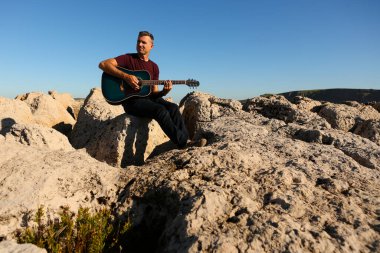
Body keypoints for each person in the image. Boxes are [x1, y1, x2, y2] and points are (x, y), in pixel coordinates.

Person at [98, 31, 190, 148]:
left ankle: (186, 140)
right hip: (132, 101)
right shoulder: (128, 58)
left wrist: (164, 92)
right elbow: (103, 64)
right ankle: (183, 143)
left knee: (173, 107)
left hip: (148, 99)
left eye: (143, 42)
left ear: (151, 46)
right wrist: (126, 77)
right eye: (138, 42)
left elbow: (154, 93)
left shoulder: (154, 67)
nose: (140, 44)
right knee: (160, 110)